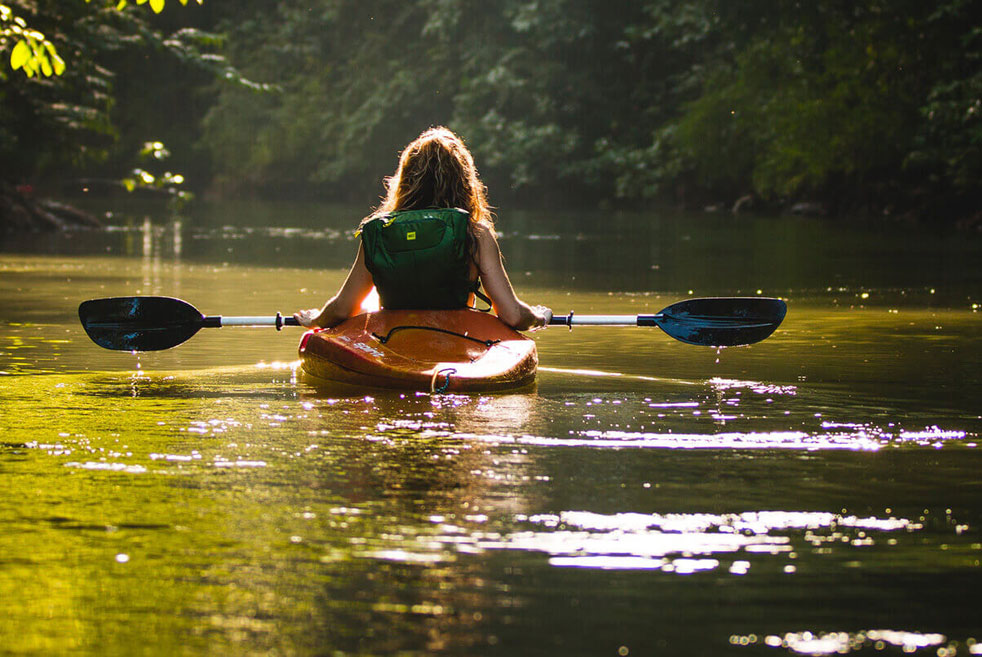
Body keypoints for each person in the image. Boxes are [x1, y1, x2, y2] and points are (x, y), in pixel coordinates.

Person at [293, 127, 552, 331]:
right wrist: (538, 317)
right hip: (457, 339)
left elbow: (342, 309)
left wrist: (317, 319)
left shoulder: (380, 232)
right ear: (464, 181)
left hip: (393, 339)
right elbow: (513, 315)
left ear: (405, 179)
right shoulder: (475, 235)